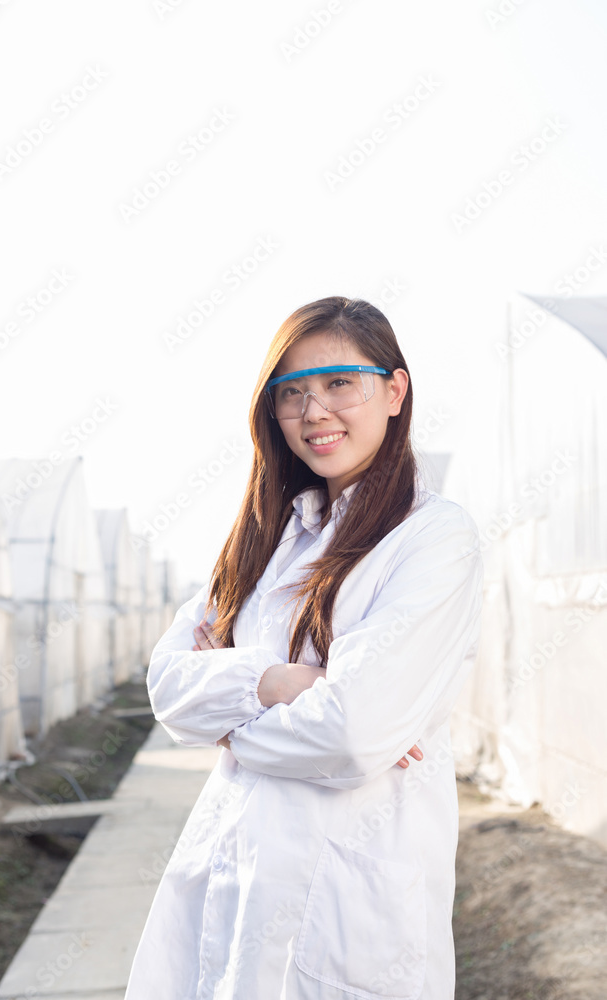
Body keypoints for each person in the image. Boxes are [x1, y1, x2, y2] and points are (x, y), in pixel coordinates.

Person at [124, 295, 483, 1000]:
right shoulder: (266, 537)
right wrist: (276, 684)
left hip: (349, 901)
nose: (314, 411)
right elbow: (167, 687)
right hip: (228, 875)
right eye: (292, 393)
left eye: (339, 383)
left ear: (393, 389)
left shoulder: (433, 537)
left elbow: (350, 734)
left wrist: (225, 719)